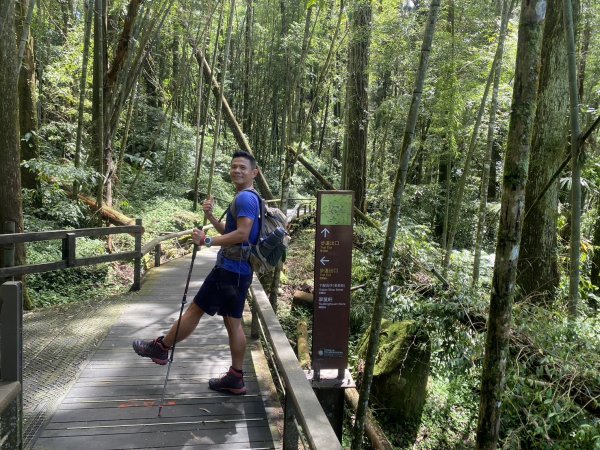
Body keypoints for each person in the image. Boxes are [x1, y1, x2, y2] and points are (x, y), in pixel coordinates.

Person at [132, 151, 261, 395]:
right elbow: (233, 232)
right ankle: (236, 378)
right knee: (233, 323)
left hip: (228, 270)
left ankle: (161, 347)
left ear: (254, 172)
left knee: (195, 309)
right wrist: (212, 217)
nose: (237, 171)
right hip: (240, 270)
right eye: (234, 167)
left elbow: (242, 235)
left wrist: (207, 240)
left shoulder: (244, 199)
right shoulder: (251, 197)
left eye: (243, 167)